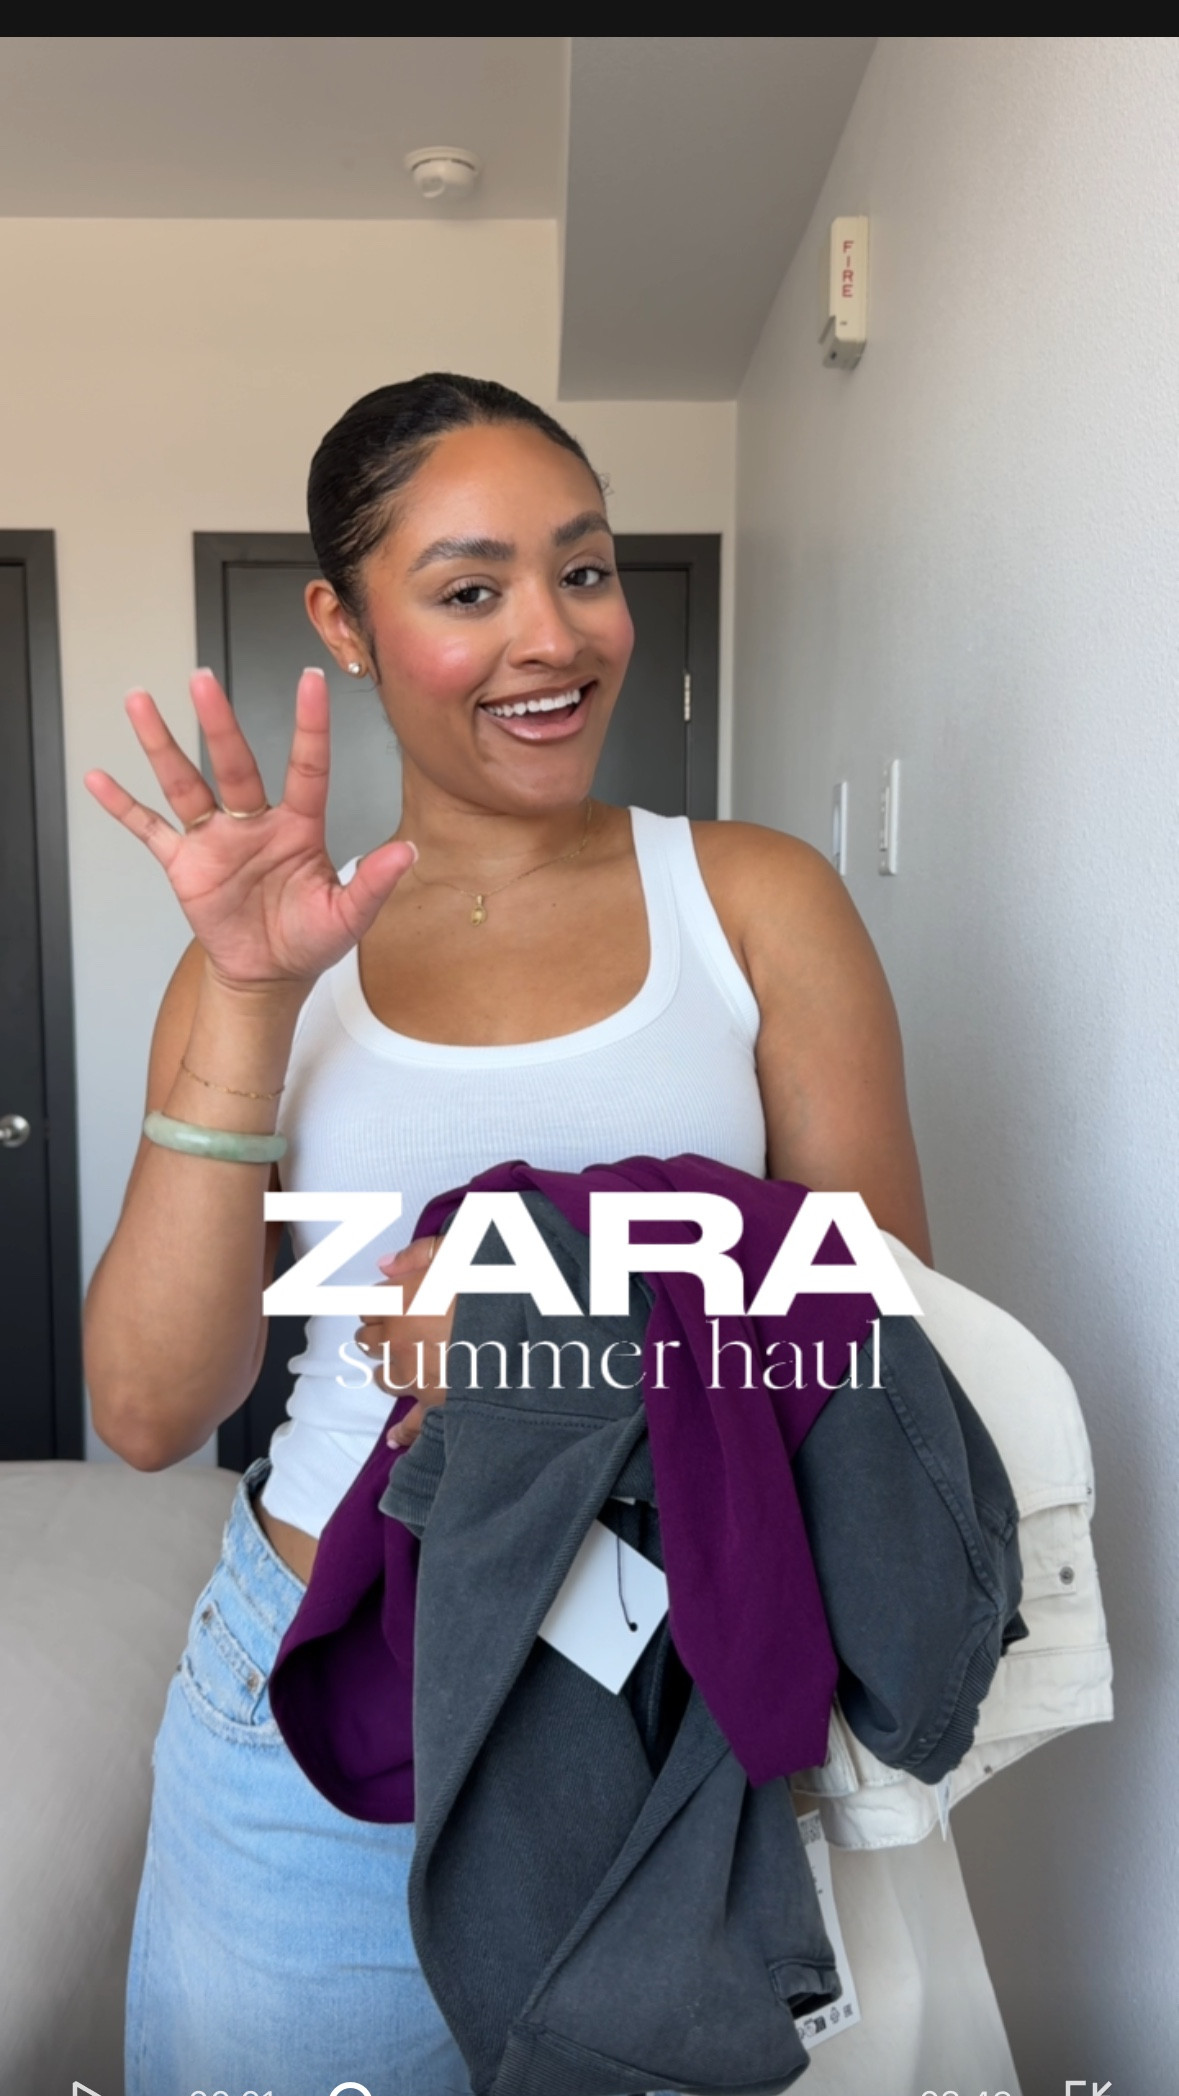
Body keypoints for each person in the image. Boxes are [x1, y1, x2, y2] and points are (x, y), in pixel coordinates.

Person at [84, 374, 1007, 2096]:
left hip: (658, 1710)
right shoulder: (284, 960)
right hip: (324, 1705)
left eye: (582, 572)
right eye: (467, 589)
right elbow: (148, 1408)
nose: (550, 637)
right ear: (344, 627)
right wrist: (243, 990)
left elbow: (877, 1338)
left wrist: (540, 1313)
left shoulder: (748, 899)